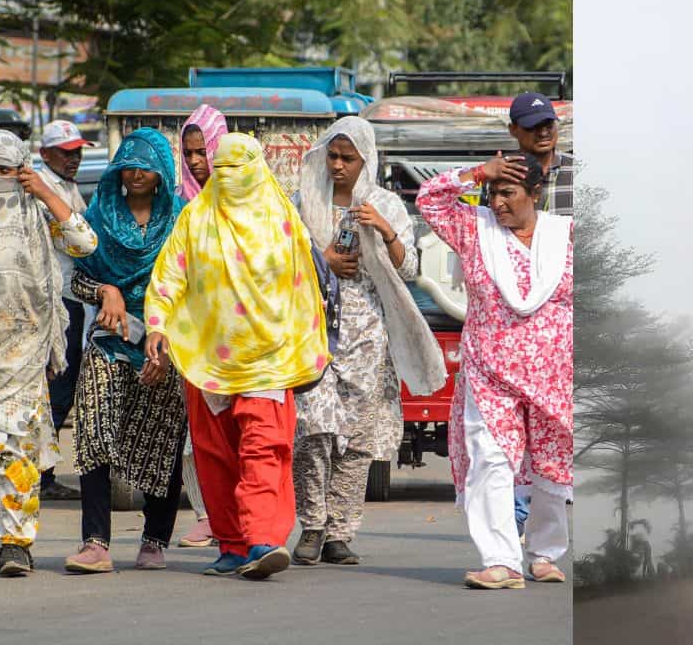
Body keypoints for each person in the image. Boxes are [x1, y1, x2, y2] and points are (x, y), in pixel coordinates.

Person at [144, 132, 330, 580]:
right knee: (216, 455)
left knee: (263, 448)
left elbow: (305, 287)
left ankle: (263, 538)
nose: (228, 177)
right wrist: (157, 324)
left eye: (237, 169)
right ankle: (231, 544)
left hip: (268, 359)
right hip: (208, 359)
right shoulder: (195, 218)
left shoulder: (282, 218)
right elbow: (169, 275)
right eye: (221, 169)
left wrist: (306, 344)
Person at [291, 117, 446, 566]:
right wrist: (322, 261)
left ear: (366, 161)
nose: (338, 165)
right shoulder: (304, 202)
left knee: (357, 438)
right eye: (333, 156)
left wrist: (385, 230)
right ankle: (312, 524)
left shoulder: (386, 204)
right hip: (314, 329)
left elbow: (408, 268)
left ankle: (339, 533)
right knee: (312, 428)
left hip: (365, 334)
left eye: (348, 158)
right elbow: (284, 259)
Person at [418, 153, 573, 590]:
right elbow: (429, 200)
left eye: (508, 193)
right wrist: (477, 173)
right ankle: (501, 561)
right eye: (492, 193)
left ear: (535, 193)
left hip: (553, 376)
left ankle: (544, 554)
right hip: (490, 373)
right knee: (490, 458)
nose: (498, 202)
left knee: (549, 465)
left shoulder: (566, 236)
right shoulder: (474, 229)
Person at [63, 128, 188, 574]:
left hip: (166, 343)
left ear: (162, 173)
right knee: (93, 433)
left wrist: (166, 341)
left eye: (146, 167)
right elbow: (76, 279)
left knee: (162, 440)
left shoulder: (181, 221)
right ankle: (95, 542)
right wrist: (105, 290)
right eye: (129, 165)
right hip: (108, 341)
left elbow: (194, 286)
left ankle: (155, 539)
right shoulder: (99, 215)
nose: (137, 174)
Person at [0, 129, 70, 576]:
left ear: (20, 171)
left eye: (3, 169)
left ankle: (16, 544)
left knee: (13, 450)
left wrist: (44, 192)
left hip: (22, 350)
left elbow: (83, 244)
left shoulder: (34, 209)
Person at [480, 93, 575, 535]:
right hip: (510, 321)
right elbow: (482, 233)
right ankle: (517, 517)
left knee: (556, 429)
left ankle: (545, 525)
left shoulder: (580, 173)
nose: (544, 131)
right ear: (514, 132)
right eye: (533, 125)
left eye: (548, 123)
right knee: (511, 432)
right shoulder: (500, 177)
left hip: (561, 320)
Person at [171, 104, 228, 549]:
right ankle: (207, 513)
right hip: (190, 335)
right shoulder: (178, 205)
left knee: (235, 426)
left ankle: (238, 513)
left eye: (202, 151)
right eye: (188, 152)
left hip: (236, 333)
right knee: (195, 430)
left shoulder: (242, 200)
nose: (194, 161)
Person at [36, 120, 101, 501]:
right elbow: (78, 244)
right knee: (58, 389)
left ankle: (42, 474)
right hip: (54, 301)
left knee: (62, 389)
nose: (74, 158)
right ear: (45, 154)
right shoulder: (42, 190)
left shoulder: (65, 186)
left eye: (77, 152)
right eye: (66, 152)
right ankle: (40, 477)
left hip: (71, 300)